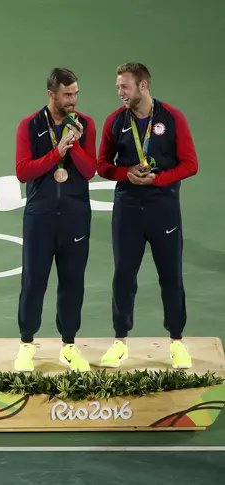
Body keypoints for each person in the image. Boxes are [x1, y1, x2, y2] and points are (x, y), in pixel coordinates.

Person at [97, 63, 198, 369]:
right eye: (117, 87)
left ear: (142, 86)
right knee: (124, 276)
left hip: (163, 207)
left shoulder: (172, 118)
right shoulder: (115, 121)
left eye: (125, 86)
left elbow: (190, 163)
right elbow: (102, 164)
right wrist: (125, 173)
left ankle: (177, 342)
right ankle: (120, 341)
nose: (120, 92)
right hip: (127, 208)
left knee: (171, 276)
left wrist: (161, 179)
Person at [13, 68, 98, 372]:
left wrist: (73, 148)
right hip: (40, 217)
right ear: (51, 94)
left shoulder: (85, 125)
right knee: (34, 283)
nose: (73, 100)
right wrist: (56, 151)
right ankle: (26, 345)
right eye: (67, 95)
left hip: (76, 217)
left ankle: (69, 345)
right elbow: (23, 171)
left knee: (73, 284)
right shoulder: (30, 126)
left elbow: (90, 170)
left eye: (75, 93)